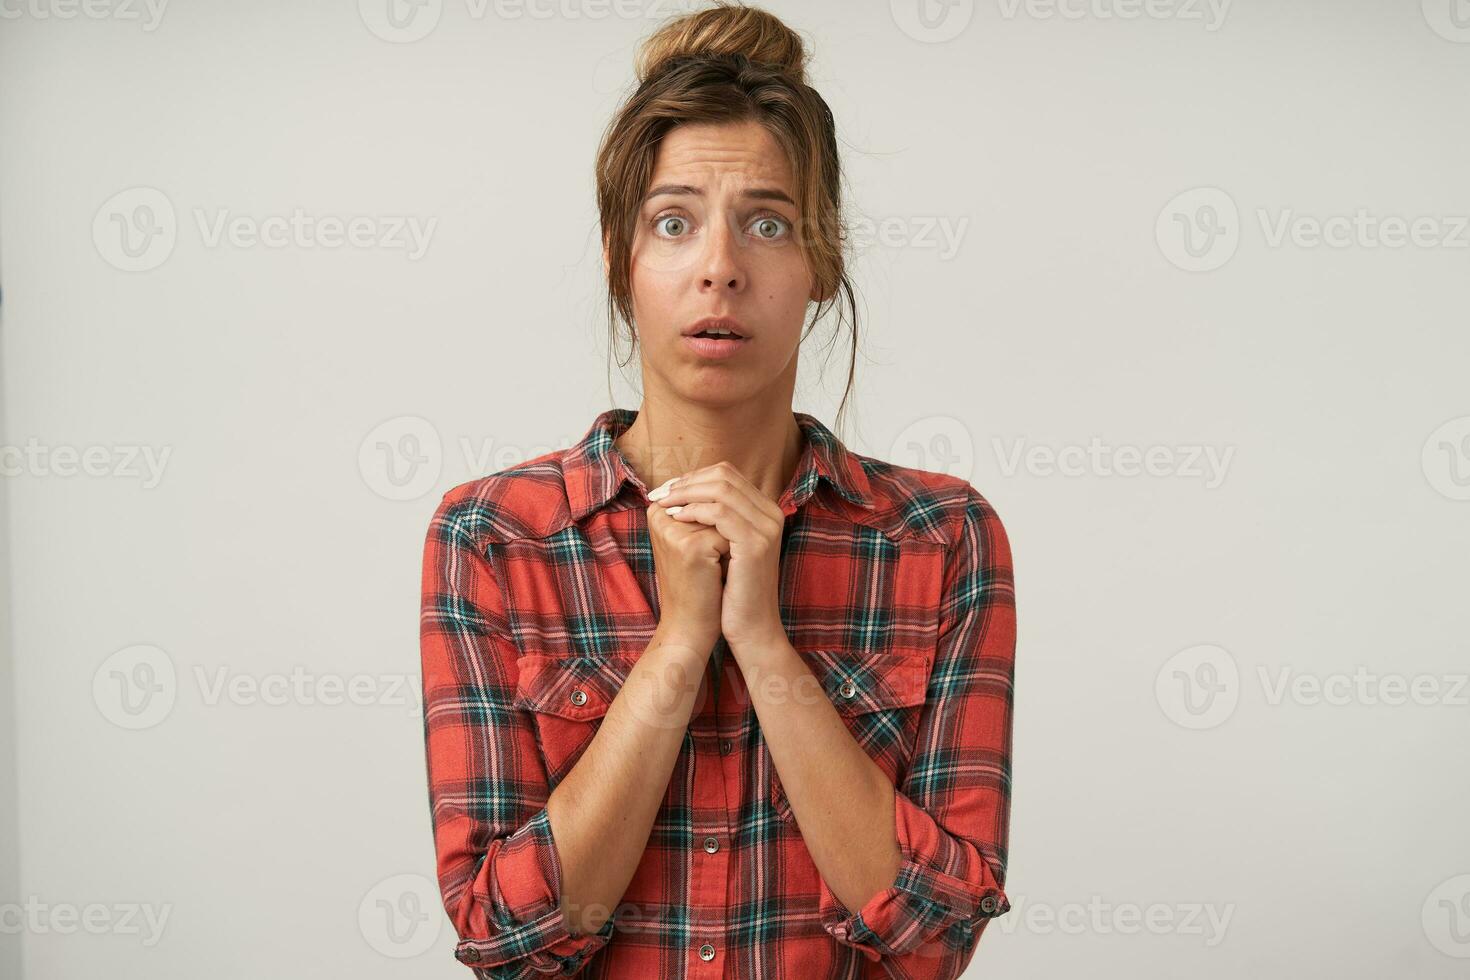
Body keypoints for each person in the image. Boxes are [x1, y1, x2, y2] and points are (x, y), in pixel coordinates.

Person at [418, 4, 1016, 977]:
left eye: (768, 223)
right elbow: (507, 940)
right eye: (674, 222)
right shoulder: (493, 537)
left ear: (821, 263)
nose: (720, 269)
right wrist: (678, 643)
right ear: (623, 260)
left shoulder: (943, 539)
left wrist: (762, 640)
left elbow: (934, 936)